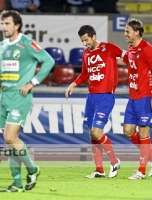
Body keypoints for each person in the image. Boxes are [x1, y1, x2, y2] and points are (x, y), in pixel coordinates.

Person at [0, 10, 55, 192]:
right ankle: (17, 183)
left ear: (17, 25)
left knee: (10, 137)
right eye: (2, 23)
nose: (4, 27)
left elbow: (48, 61)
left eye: (7, 24)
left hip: (20, 97)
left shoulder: (26, 43)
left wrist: (32, 82)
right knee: (10, 143)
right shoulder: (2, 46)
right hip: (4, 97)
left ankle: (33, 169)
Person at [65, 25, 126, 178]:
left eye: (86, 40)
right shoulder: (86, 53)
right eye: (82, 41)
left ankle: (114, 161)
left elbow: (127, 58)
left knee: (96, 132)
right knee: (92, 135)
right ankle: (99, 170)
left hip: (105, 96)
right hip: (91, 97)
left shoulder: (109, 48)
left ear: (93, 36)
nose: (85, 44)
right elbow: (85, 73)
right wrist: (74, 83)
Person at [117, 18, 152, 180]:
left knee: (143, 132)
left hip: (145, 97)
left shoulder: (147, 49)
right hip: (133, 97)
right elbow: (123, 60)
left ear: (137, 32)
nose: (125, 34)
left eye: (127, 31)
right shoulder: (131, 49)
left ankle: (141, 171)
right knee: (128, 131)